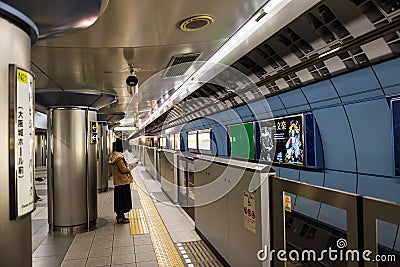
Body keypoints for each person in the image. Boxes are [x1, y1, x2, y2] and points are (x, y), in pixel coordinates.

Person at [108, 138, 136, 224]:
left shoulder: (115, 155)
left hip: (119, 182)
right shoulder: (119, 158)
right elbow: (123, 170)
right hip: (122, 181)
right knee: (122, 200)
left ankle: (120, 216)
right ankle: (121, 217)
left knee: (119, 199)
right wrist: (132, 167)